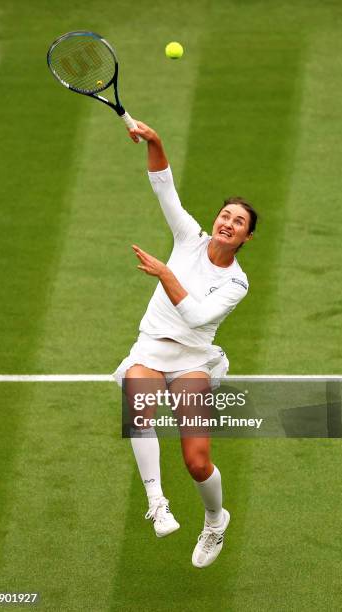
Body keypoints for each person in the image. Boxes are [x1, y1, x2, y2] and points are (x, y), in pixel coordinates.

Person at [113, 120, 257, 568]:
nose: (228, 223)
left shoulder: (236, 282)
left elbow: (195, 316)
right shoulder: (187, 236)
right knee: (138, 404)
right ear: (216, 220)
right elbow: (164, 187)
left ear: (247, 237)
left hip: (193, 360)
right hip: (151, 347)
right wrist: (155, 142)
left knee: (197, 462)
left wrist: (165, 273)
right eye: (226, 215)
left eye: (239, 222)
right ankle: (157, 503)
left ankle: (215, 520)